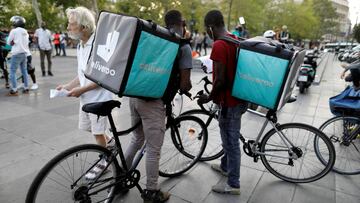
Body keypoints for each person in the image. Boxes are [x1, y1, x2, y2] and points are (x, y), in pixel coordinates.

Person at [124, 9, 192, 203]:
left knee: (136, 139)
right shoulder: (182, 46)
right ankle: (152, 191)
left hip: (134, 96)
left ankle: (120, 176)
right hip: (153, 103)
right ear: (183, 22)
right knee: (154, 149)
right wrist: (186, 87)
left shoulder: (155, 38)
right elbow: (185, 83)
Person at [57, 7, 114, 179]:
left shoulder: (98, 45)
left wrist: (81, 89)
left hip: (99, 98)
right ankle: (110, 143)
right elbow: (83, 74)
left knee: (98, 133)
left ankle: (104, 162)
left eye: (72, 24)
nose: (68, 27)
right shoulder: (81, 45)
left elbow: (102, 76)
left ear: (84, 27)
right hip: (86, 98)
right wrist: (68, 85)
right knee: (93, 130)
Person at [198, 10, 248, 195]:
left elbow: (220, 81)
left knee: (231, 142)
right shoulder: (233, 38)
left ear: (211, 27)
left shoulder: (219, 45)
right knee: (227, 136)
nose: (207, 34)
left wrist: (208, 97)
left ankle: (233, 184)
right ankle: (225, 166)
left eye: (206, 30)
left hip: (229, 102)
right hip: (239, 99)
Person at [6, 16, 30, 96]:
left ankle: (14, 90)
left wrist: (13, 42)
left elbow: (8, 42)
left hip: (16, 54)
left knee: (12, 72)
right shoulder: (25, 31)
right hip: (24, 54)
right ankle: (26, 88)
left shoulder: (14, 31)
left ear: (16, 22)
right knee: (24, 71)